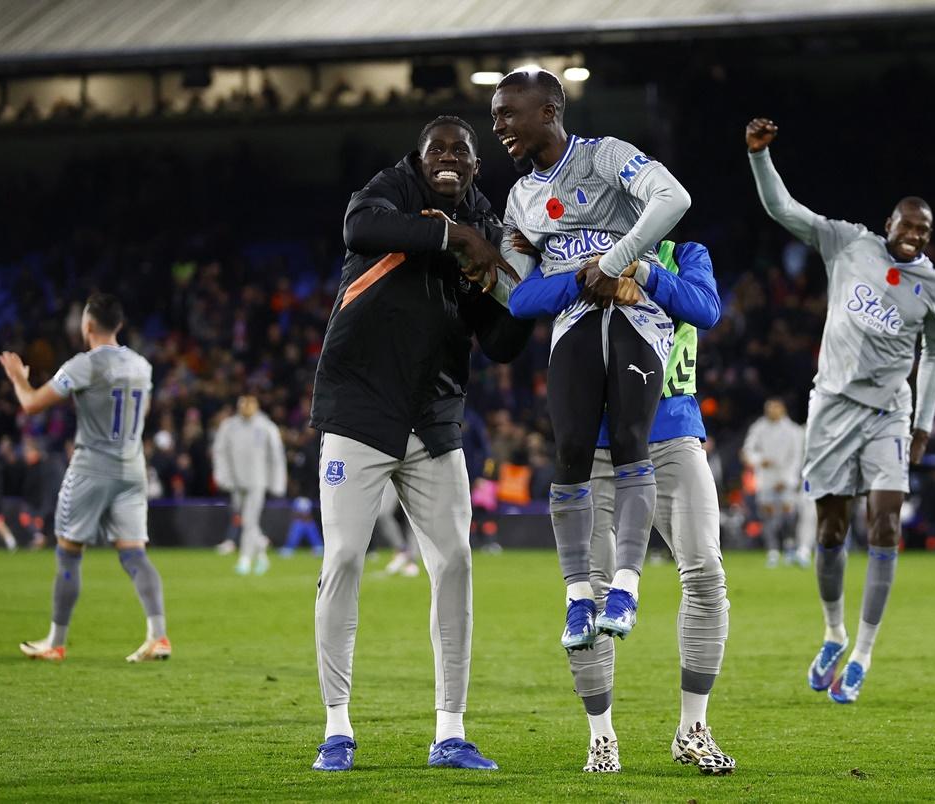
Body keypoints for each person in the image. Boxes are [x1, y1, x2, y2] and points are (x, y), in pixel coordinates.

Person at [309, 115, 532, 772]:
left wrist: (513, 292)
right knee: (346, 556)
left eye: (460, 152)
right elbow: (360, 229)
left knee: (456, 562)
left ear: (474, 167)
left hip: (433, 419)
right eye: (437, 148)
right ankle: (337, 726)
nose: (447, 158)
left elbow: (499, 344)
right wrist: (458, 238)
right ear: (420, 156)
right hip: (359, 414)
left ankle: (450, 730)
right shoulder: (392, 194)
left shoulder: (491, 226)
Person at [747, 117, 935, 704]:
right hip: (833, 407)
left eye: (924, 229)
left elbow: (934, 355)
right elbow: (785, 210)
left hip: (889, 410)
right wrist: (760, 157)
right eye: (907, 224)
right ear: (888, 223)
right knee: (832, 529)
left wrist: (922, 425)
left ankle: (863, 651)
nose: (914, 234)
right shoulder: (848, 243)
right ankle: (834, 632)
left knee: (883, 522)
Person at [509, 239, 734, 774]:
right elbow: (524, 300)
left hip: (674, 430)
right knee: (592, 589)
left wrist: (644, 275)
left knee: (705, 572)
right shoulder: (573, 251)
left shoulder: (687, 252)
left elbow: (706, 309)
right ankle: (601, 735)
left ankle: (693, 728)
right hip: (598, 445)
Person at [491, 68, 692, 651]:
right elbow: (516, 297)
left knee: (630, 439)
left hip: (637, 316)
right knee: (572, 451)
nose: (499, 126)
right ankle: (579, 597)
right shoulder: (522, 198)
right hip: (575, 325)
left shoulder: (605, 157)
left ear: (549, 110)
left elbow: (674, 197)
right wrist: (491, 250)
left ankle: (626, 587)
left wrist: (616, 261)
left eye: (509, 113)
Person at [0, 293, 170, 663]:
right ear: (119, 325)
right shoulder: (142, 366)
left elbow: (30, 404)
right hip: (132, 465)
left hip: (93, 466)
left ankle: (56, 642)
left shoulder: (83, 365)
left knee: (69, 553)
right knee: (135, 554)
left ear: (87, 325)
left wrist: (18, 379)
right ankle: (158, 636)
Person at [211, 395, 287, 575]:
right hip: (237, 482)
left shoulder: (265, 426)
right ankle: (262, 553)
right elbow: (220, 452)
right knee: (248, 520)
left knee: (249, 519)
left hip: (257, 481)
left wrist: (277, 482)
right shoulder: (229, 426)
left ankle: (244, 559)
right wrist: (223, 477)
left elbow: (276, 456)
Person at [741, 398, 805, 568]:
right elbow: (748, 450)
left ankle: (790, 547)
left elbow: (797, 457)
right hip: (766, 477)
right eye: (769, 409)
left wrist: (786, 479)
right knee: (767, 515)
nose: (772, 412)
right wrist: (760, 460)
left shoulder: (793, 430)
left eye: (775, 408)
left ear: (782, 409)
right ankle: (773, 551)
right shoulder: (759, 427)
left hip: (787, 479)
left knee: (788, 514)